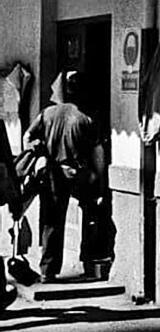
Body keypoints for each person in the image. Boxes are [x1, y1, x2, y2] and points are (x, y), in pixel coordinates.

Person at [23, 71, 106, 282]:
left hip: (53, 173)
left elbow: (27, 138)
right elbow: (98, 154)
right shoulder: (86, 118)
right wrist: (100, 180)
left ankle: (47, 271)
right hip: (80, 173)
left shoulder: (47, 113)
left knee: (52, 221)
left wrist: (38, 151)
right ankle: (89, 263)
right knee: (90, 215)